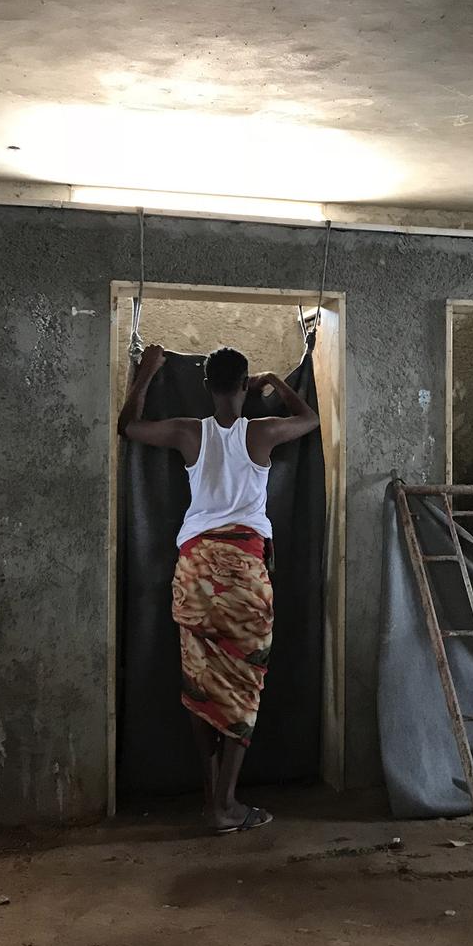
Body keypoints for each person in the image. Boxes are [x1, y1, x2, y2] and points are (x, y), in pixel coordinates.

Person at [118, 343, 319, 834]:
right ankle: (226, 806)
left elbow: (130, 427)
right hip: (246, 574)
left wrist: (146, 373)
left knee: (200, 683)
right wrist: (274, 381)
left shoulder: (190, 433)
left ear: (207, 386)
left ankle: (212, 800)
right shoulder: (264, 432)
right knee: (243, 686)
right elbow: (310, 419)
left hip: (196, 572)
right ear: (243, 383)